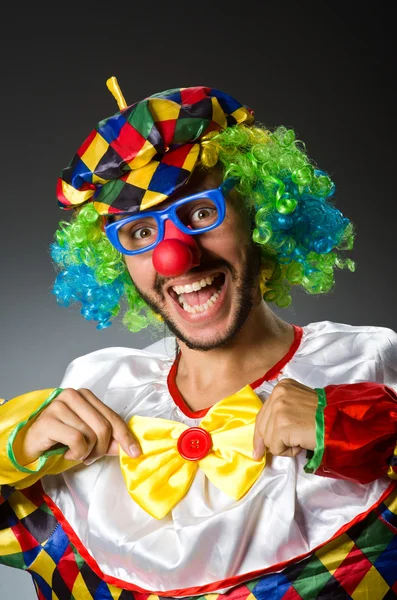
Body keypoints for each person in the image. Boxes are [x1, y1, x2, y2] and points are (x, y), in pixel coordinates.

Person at [1, 76, 397, 600]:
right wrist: (12, 443)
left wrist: (361, 428)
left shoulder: (368, 366)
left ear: (259, 213)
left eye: (201, 213)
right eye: (141, 232)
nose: (176, 255)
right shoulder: (99, 391)